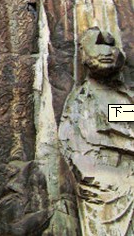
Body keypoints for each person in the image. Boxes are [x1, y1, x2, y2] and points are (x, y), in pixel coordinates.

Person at [58, 28, 134, 236]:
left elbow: (121, 124)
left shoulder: (123, 98)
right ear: (84, 53)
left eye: (111, 45)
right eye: (98, 44)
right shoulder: (83, 98)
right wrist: (92, 175)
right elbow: (71, 140)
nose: (107, 51)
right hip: (102, 182)